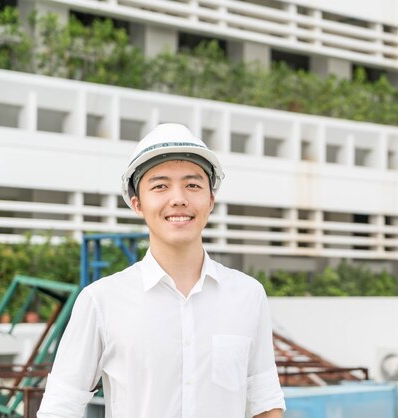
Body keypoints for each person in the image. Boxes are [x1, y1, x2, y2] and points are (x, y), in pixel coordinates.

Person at [38, 123, 285, 418]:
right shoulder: (101, 300)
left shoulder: (247, 295)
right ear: (137, 203)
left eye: (193, 185)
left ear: (211, 200)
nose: (178, 198)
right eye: (160, 186)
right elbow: (60, 408)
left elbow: (264, 403)